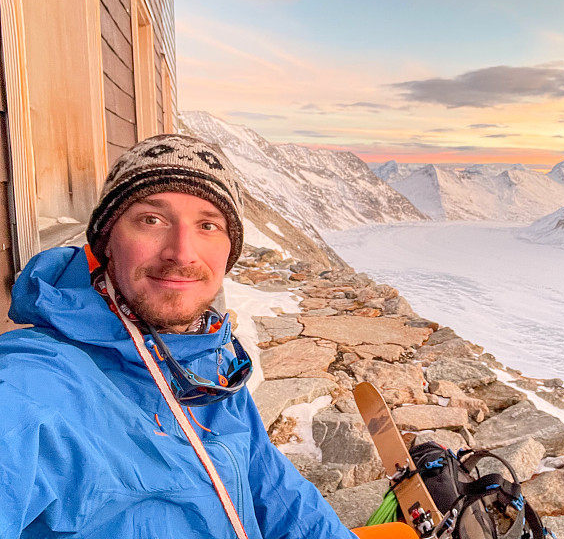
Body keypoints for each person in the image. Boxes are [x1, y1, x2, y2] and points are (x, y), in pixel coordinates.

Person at [0, 135, 356, 538]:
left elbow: (277, 492)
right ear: (106, 241)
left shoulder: (208, 361)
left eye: (208, 225)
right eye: (152, 219)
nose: (182, 252)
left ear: (228, 250)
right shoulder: (30, 387)